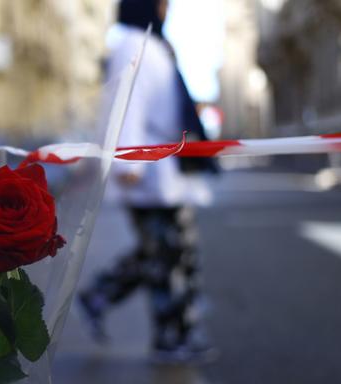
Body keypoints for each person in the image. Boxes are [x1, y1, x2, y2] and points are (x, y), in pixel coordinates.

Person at [79, 0, 216, 364]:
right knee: (167, 256)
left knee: (165, 252)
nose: (166, 8)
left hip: (167, 171)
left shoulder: (154, 42)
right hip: (147, 170)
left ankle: (99, 296)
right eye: (161, 2)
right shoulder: (131, 43)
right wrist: (129, 156)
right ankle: (171, 336)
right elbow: (127, 101)